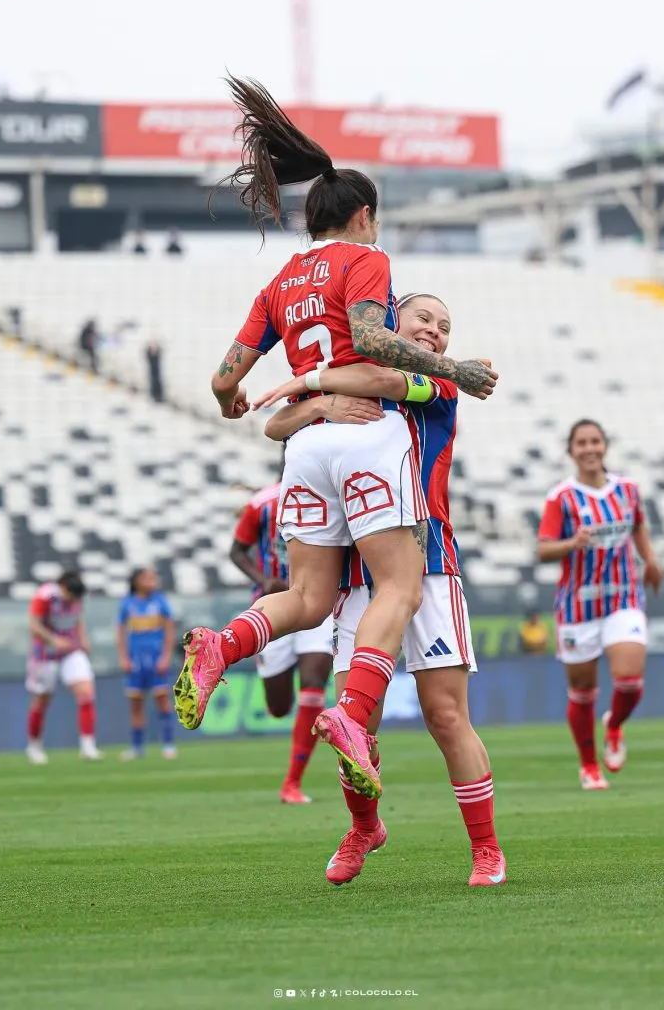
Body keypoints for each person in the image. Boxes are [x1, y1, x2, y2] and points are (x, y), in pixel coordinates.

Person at [173, 75, 497, 806]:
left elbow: (225, 378)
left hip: (307, 448)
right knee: (401, 584)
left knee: (308, 596)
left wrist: (240, 403)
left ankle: (221, 646)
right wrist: (455, 370)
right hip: (365, 437)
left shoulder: (280, 282)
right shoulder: (366, 260)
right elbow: (373, 339)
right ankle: (351, 720)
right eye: (374, 223)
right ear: (362, 215)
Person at [259, 293, 505, 888]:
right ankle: (363, 827)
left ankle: (486, 849)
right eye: (424, 319)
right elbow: (274, 424)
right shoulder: (356, 379)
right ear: (389, 324)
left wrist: (316, 383)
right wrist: (324, 404)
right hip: (357, 573)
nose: (436, 333)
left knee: (445, 715)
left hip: (432, 562)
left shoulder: (437, 383)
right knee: (354, 724)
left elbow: (388, 383)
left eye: (445, 327)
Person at [537, 419, 664, 790]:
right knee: (582, 691)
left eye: (595, 441)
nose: (590, 448)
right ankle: (589, 765)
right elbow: (543, 549)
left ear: (604, 446)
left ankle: (613, 725)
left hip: (623, 597)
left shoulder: (627, 490)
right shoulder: (561, 497)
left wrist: (651, 560)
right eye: (582, 443)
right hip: (578, 605)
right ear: (571, 450)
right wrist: (571, 543)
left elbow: (638, 526)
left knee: (629, 681)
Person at [231, 468, 333, 804]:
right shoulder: (261, 504)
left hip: (318, 604)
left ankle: (292, 783)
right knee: (278, 706)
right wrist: (263, 580)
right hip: (273, 607)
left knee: (314, 683)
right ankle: (284, 670)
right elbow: (237, 551)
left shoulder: (329, 496)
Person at [25, 569, 103, 764]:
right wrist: (53, 639)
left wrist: (84, 639)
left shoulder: (76, 598)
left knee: (86, 693)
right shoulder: (45, 597)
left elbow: (78, 620)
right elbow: (33, 625)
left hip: (71, 650)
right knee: (42, 701)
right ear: (62, 587)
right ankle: (34, 746)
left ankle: (88, 745)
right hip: (45, 654)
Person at [117, 567, 177, 760]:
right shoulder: (128, 604)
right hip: (136, 660)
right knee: (135, 703)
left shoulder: (160, 602)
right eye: (146, 577)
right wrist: (124, 657)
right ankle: (137, 747)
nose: (152, 580)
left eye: (153, 577)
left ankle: (168, 745)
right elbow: (120, 633)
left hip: (156, 658)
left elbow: (169, 630)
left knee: (162, 700)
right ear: (136, 581)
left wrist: (166, 656)